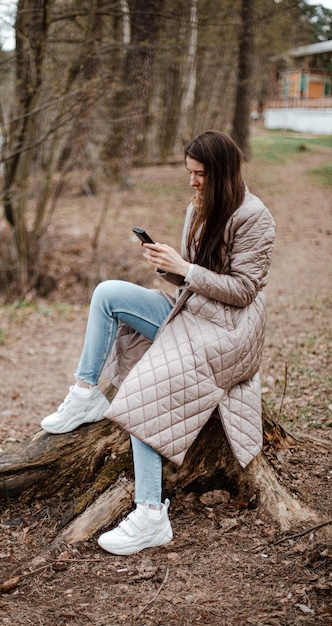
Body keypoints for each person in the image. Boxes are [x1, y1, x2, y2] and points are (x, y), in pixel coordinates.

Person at [41, 130, 276, 556]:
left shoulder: (255, 217)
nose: (192, 182)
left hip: (229, 332)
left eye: (199, 174)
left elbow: (243, 291)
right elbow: (192, 276)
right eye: (190, 173)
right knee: (108, 293)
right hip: (190, 312)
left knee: (151, 384)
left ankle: (151, 513)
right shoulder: (199, 207)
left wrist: (185, 269)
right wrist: (168, 266)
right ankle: (86, 392)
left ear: (222, 173)